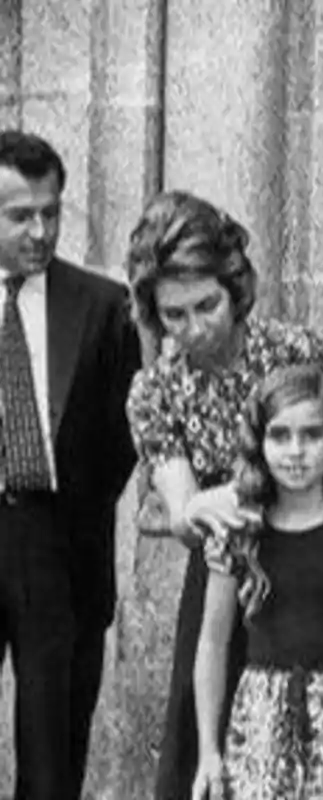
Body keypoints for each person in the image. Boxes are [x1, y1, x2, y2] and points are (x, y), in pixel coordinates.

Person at [124, 190, 323, 800]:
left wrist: (221, 500)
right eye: (174, 315)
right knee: (205, 756)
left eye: (206, 305)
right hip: (219, 586)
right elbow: (185, 510)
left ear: (234, 285)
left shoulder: (294, 353)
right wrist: (193, 509)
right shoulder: (156, 393)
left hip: (307, 576)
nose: (195, 328)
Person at [0, 130, 139, 799]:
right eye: (20, 215)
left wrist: (75, 507)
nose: (40, 230)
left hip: (60, 544)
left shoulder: (103, 307)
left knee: (52, 757)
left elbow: (124, 437)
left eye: (50, 212)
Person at [190, 365, 323, 799]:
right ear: (259, 443)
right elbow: (212, 642)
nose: (296, 450)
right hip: (263, 723)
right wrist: (209, 749)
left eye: (312, 434)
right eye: (280, 435)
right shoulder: (239, 531)